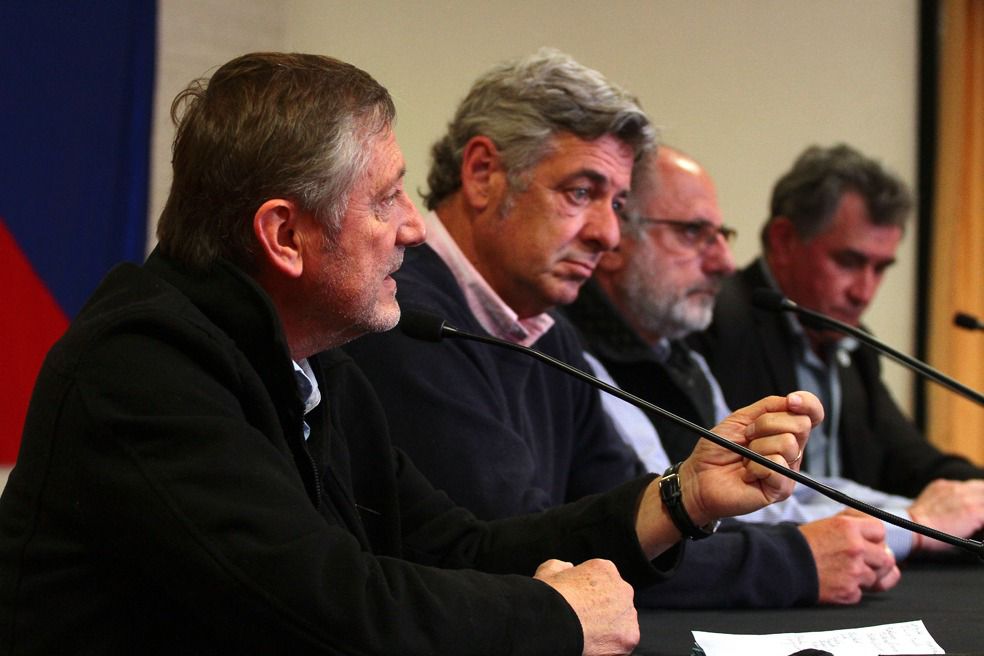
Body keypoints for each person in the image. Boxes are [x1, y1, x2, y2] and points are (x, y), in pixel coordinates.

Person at [0, 52, 817, 655]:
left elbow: (459, 549)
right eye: (386, 198)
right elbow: (328, 612)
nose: (415, 226)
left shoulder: (312, 363)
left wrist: (682, 497)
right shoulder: (142, 369)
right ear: (285, 235)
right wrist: (555, 618)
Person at [344, 49, 851, 608]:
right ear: (483, 173)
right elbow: (516, 553)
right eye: (581, 193)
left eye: (618, 203)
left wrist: (688, 495)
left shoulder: (549, 331)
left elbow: (620, 510)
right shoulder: (402, 318)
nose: (608, 235)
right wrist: (790, 561)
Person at [565, 146, 982, 599]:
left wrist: (944, 510)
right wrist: (913, 524)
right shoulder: (710, 326)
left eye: (880, 268)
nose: (724, 262)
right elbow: (700, 511)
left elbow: (872, 469)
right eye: (692, 233)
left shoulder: (684, 351)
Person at [696, 144, 984, 525]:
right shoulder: (714, 320)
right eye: (849, 262)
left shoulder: (856, 347)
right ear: (783, 241)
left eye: (880, 268)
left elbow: (914, 463)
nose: (863, 292)